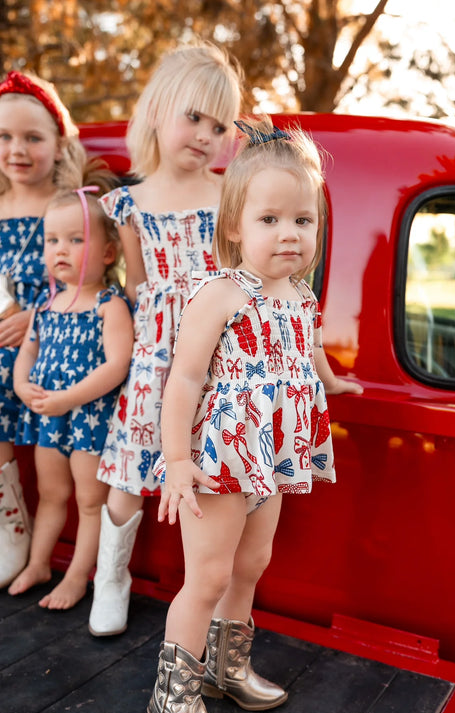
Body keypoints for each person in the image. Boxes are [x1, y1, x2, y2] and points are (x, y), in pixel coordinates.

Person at [148, 117, 364, 713]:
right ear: (236, 226)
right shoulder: (221, 293)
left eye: (303, 220)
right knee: (207, 575)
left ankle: (225, 667)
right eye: (270, 220)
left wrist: (332, 382)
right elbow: (183, 378)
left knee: (251, 564)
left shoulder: (298, 293)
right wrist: (178, 461)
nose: (290, 234)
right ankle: (173, 696)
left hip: (272, 453)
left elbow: (308, 353)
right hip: (222, 455)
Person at [88, 41, 242, 636]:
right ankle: (112, 575)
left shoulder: (228, 195)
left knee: (209, 473)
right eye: (192, 117)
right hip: (155, 358)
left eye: (218, 124)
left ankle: (200, 591)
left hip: (217, 357)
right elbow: (139, 286)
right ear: (158, 112)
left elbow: (239, 273)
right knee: (129, 473)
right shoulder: (130, 203)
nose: (204, 134)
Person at [8, 185, 134, 609]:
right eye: (52, 240)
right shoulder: (46, 306)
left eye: (76, 239)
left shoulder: (108, 306)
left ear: (108, 253)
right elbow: (28, 350)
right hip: (51, 417)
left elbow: (117, 365)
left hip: (89, 421)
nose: (61, 249)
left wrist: (67, 399)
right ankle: (40, 562)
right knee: (51, 494)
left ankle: (80, 575)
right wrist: (23, 386)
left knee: (89, 500)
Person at [0, 70, 89, 589]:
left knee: (54, 457)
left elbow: (92, 278)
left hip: (52, 346)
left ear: (59, 145)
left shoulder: (68, 206)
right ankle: (10, 524)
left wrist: (36, 315)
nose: (17, 149)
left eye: (33, 137)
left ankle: (42, 552)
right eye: (5, 137)